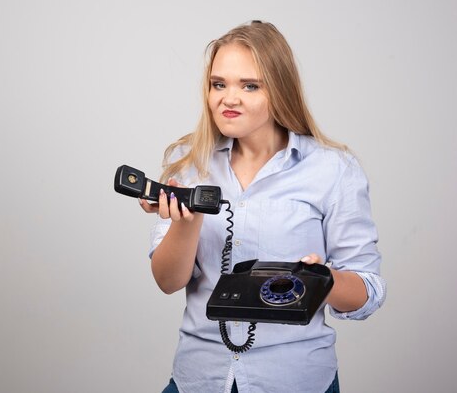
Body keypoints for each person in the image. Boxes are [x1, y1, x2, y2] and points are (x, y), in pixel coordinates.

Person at [138, 21, 386, 393]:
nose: (229, 98)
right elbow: (168, 281)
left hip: (296, 379)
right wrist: (186, 222)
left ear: (280, 90)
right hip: (200, 378)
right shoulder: (188, 162)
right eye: (218, 84)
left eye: (249, 85)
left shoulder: (333, 169)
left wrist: (321, 281)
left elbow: (369, 290)